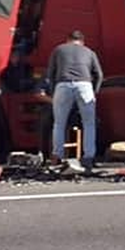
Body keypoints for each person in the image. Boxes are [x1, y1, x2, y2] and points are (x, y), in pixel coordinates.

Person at [45, 30, 103, 168]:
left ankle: (57, 156)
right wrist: (94, 92)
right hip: (85, 85)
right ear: (82, 41)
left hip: (63, 85)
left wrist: (53, 92)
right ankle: (88, 157)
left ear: (68, 39)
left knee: (59, 123)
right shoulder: (89, 52)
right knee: (89, 123)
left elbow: (50, 73)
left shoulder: (58, 50)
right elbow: (99, 75)